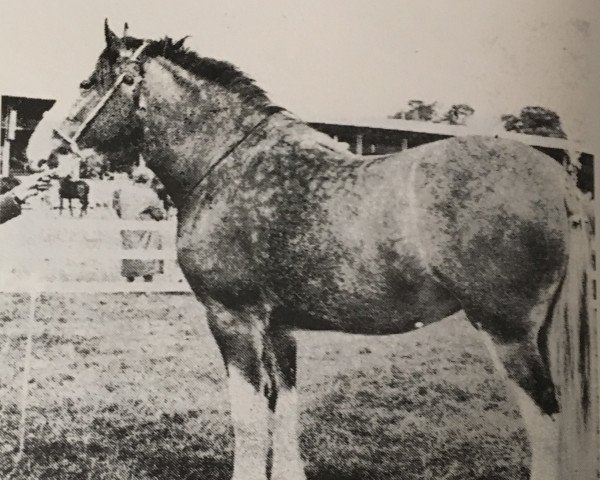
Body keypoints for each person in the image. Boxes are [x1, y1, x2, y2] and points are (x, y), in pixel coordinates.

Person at [112, 168, 166, 282]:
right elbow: (157, 212)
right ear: (147, 180)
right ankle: (147, 277)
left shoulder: (124, 192)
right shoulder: (150, 194)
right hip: (146, 226)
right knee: (149, 249)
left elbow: (117, 208)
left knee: (129, 249)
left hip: (127, 225)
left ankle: (129, 277)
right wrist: (162, 216)